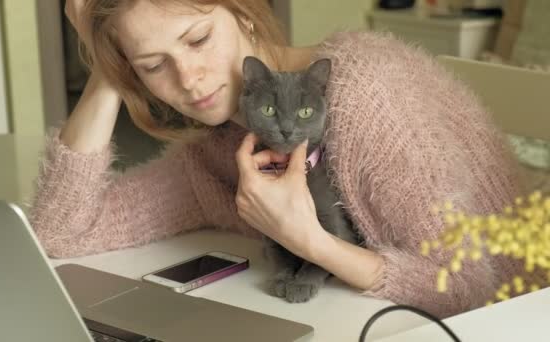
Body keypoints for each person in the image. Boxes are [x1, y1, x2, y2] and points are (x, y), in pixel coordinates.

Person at [30, 0, 533, 318]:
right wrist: (107, 62)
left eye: (198, 39)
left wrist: (309, 242)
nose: (189, 79)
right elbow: (62, 231)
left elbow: (465, 288)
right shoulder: (216, 146)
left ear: (244, 12)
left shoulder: (365, 94)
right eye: (154, 65)